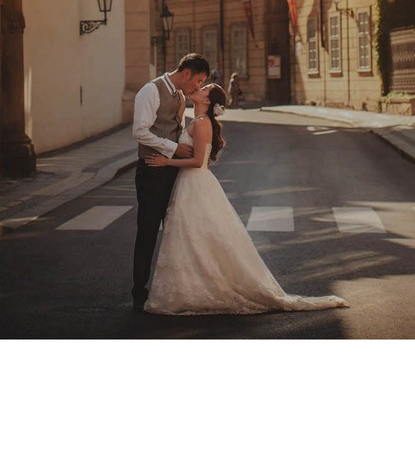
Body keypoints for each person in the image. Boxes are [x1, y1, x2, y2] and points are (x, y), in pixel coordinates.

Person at [143, 83, 348, 315]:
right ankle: (191, 287)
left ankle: (198, 288)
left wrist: (167, 161)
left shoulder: (202, 123)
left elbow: (198, 161)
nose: (199, 88)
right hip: (192, 184)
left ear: (208, 101)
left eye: (204, 88)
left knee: (196, 234)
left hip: (195, 183)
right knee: (194, 236)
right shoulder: (199, 120)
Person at [131, 52, 211, 312]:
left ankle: (174, 291)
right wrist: (172, 148)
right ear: (186, 73)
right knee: (148, 232)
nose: (198, 87)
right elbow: (140, 131)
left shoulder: (179, 95)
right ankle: (138, 293)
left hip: (173, 171)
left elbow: (177, 127)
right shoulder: (150, 90)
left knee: (177, 232)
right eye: (198, 81)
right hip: (152, 170)